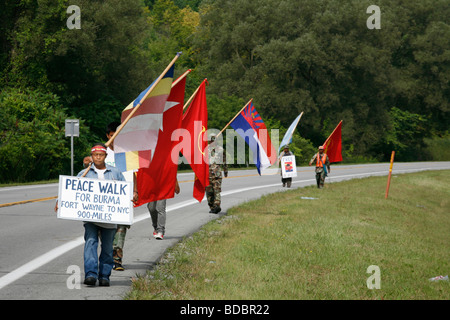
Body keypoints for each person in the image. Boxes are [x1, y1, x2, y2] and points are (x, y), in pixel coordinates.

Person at [58, 143, 127, 286]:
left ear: (105, 156)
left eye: (101, 155)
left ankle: (104, 275)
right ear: (91, 156)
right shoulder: (85, 173)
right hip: (90, 218)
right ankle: (90, 274)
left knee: (108, 248)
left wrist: (132, 196)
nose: (98, 157)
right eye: (95, 155)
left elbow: (124, 192)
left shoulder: (115, 173)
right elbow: (71, 188)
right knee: (90, 243)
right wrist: (60, 200)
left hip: (110, 219)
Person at [206, 135, 228, 214]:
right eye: (211, 141)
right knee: (209, 192)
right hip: (207, 174)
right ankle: (212, 206)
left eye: (213, 141)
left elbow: (224, 161)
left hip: (216, 174)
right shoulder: (205, 149)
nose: (212, 142)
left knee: (217, 190)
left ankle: (217, 206)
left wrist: (225, 171)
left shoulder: (220, 150)